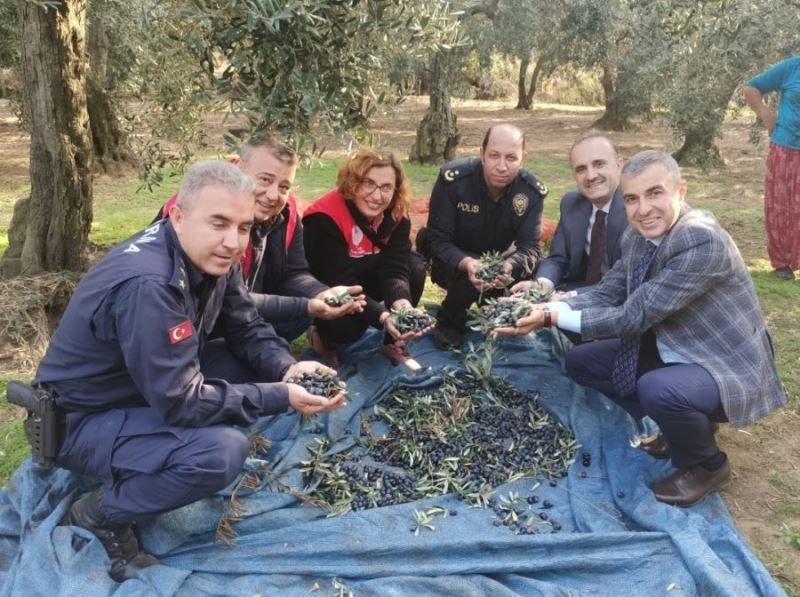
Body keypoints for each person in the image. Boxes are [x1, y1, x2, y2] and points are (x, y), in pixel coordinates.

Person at [35, 161, 347, 583]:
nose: (232, 240)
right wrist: (280, 396)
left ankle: (152, 454)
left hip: (136, 388)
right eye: (218, 223)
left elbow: (245, 325)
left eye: (242, 227)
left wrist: (287, 369)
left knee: (241, 363)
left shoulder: (211, 254)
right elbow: (182, 401)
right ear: (177, 216)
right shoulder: (149, 286)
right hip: (79, 420)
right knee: (221, 453)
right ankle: (99, 513)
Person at [498, 150, 785, 507]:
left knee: (658, 390)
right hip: (674, 345)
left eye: (655, 194)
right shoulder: (637, 238)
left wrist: (549, 317)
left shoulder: (700, 239)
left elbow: (632, 316)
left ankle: (709, 465)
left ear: (680, 191)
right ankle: (684, 428)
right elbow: (608, 291)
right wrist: (546, 304)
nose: (643, 209)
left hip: (724, 363)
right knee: (581, 363)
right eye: (632, 199)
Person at [155, 136, 364, 341]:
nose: (273, 195)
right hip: (189, 315)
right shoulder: (201, 209)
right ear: (238, 167)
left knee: (302, 315)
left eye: (284, 186)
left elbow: (294, 273)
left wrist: (320, 293)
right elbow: (226, 297)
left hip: (242, 307)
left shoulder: (287, 213)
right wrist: (304, 305)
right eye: (265, 179)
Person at [421, 123, 548, 350]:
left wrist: (508, 266)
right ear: (482, 154)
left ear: (523, 159)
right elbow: (438, 239)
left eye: (511, 158)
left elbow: (530, 248)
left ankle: (502, 313)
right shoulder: (454, 180)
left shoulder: (530, 192)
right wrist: (469, 263)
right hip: (454, 262)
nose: (501, 166)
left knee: (539, 269)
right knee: (468, 276)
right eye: (494, 156)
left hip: (501, 264)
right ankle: (449, 318)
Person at [302, 149, 430, 365]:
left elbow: (395, 269)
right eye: (368, 183)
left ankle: (393, 340)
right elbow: (338, 280)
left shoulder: (396, 214)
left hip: (368, 276)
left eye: (386, 187)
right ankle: (324, 338)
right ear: (353, 184)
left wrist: (402, 309)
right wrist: (382, 317)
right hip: (334, 288)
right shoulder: (324, 217)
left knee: (415, 267)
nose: (377, 196)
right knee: (348, 330)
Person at [535, 130, 627, 293]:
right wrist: (543, 285)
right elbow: (558, 258)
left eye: (599, 164)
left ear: (619, 166)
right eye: (581, 169)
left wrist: (569, 298)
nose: (591, 175)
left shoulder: (635, 208)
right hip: (575, 289)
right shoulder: (572, 203)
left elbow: (626, 282)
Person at [744, 56, 800, 281]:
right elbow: (752, 88)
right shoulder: (793, 67)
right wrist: (767, 116)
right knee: (781, 205)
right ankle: (783, 263)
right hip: (785, 148)